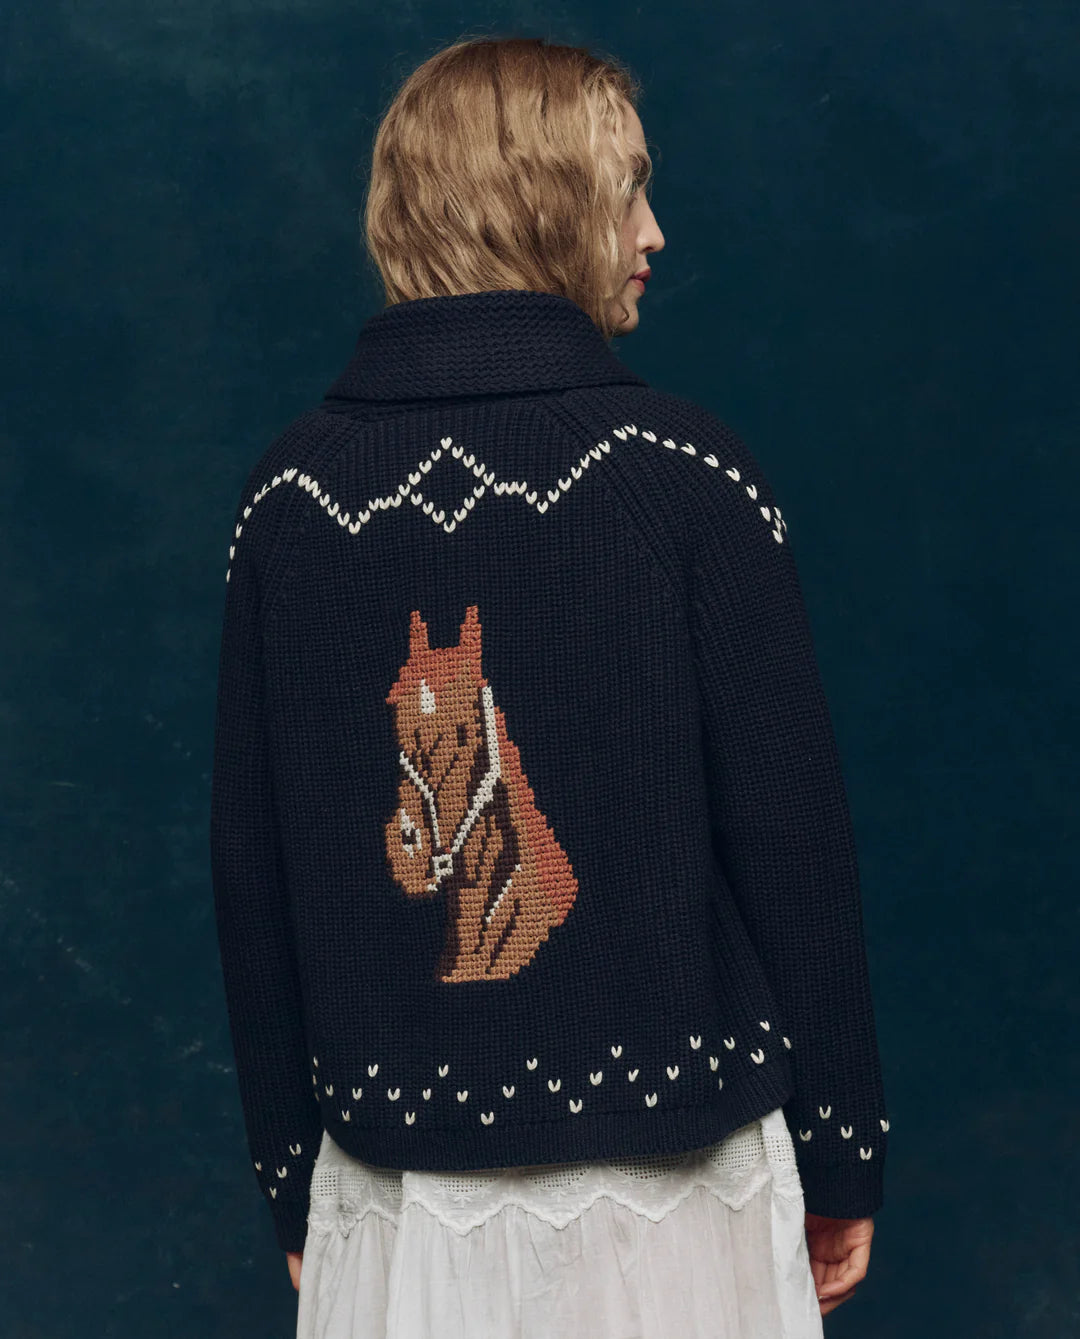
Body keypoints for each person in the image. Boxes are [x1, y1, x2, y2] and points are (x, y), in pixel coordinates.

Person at [209, 33, 888, 1338]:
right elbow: (793, 847)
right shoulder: (684, 476)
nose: (656, 232)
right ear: (546, 204)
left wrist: (290, 1176)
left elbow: (256, 871)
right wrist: (844, 1150)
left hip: (395, 1196)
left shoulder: (290, 500)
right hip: (674, 1201)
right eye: (630, 189)